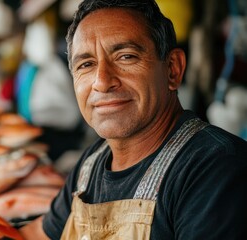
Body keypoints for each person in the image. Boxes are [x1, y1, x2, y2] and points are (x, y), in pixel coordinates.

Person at [19, 0, 247, 239]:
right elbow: (33, 235)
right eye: (86, 64)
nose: (102, 82)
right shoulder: (91, 165)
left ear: (173, 69)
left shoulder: (216, 170)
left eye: (126, 57)